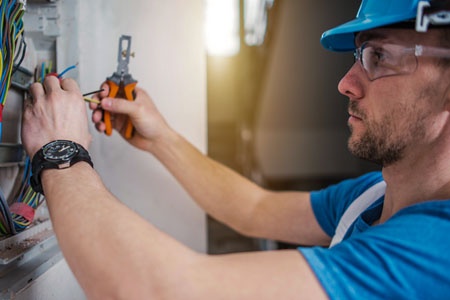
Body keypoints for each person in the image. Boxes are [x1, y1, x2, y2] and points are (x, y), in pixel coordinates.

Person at [21, 0, 450, 299]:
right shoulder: (372, 196)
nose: (346, 82)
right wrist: (161, 138)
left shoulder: (435, 253)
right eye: (358, 55)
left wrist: (61, 154)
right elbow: (254, 209)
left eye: (379, 57)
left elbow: (149, 290)